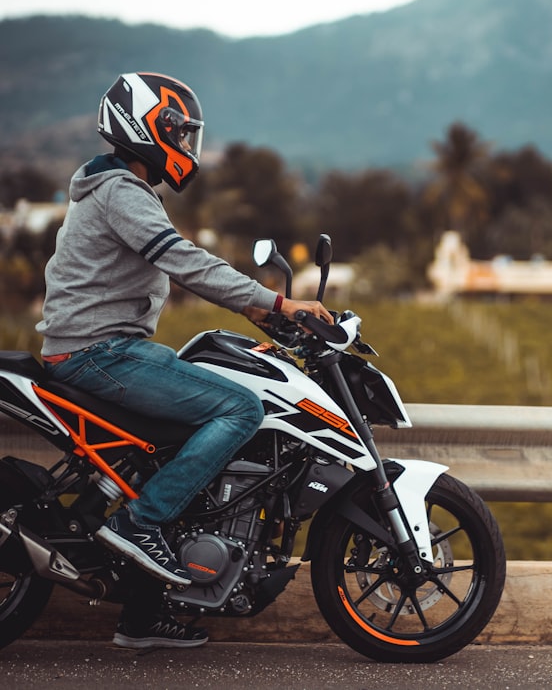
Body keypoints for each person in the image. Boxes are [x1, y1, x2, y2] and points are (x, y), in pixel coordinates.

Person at [36, 72, 334, 649]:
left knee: (178, 448)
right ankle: (138, 525)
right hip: (98, 353)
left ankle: (141, 616)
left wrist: (264, 319)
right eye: (179, 131)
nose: (187, 144)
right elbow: (182, 260)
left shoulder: (115, 187)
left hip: (105, 349)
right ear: (147, 128)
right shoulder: (120, 191)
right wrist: (274, 301)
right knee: (241, 409)